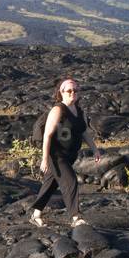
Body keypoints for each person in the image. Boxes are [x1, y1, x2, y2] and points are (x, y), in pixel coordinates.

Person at [29, 78, 102, 228]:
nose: (72, 93)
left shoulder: (80, 111)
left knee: (50, 184)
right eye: (69, 90)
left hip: (70, 155)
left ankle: (35, 215)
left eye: (75, 90)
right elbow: (47, 135)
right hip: (56, 155)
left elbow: (84, 133)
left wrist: (95, 149)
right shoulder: (58, 110)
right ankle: (76, 217)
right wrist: (44, 159)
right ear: (61, 93)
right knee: (71, 181)